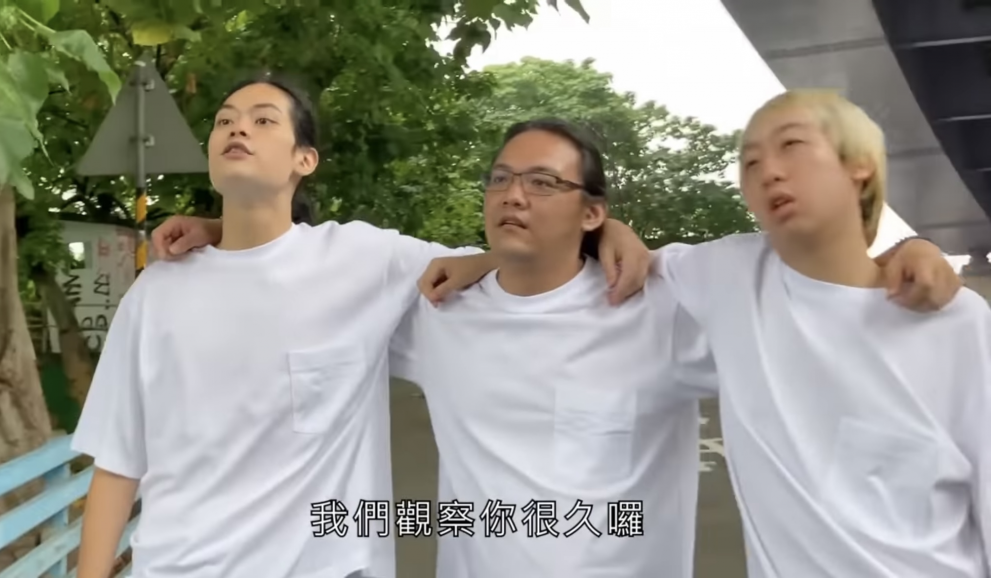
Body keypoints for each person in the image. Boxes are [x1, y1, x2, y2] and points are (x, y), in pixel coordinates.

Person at [74, 75, 651, 578]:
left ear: (305, 160)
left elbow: (522, 255)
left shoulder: (364, 261)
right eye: (224, 120)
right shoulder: (158, 292)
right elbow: (118, 460)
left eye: (263, 120)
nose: (237, 128)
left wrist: (605, 230)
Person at [386, 119, 963, 578]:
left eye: (542, 182)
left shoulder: (661, 306)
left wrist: (909, 248)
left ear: (593, 213)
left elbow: (814, 287)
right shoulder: (439, 306)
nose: (513, 196)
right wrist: (493, 257)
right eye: (500, 179)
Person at [645, 91, 987, 576]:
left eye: (792, 145)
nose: (769, 171)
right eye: (750, 163)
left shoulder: (954, 320)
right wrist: (608, 234)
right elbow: (605, 261)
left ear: (859, 165)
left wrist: (918, 245)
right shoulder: (729, 275)